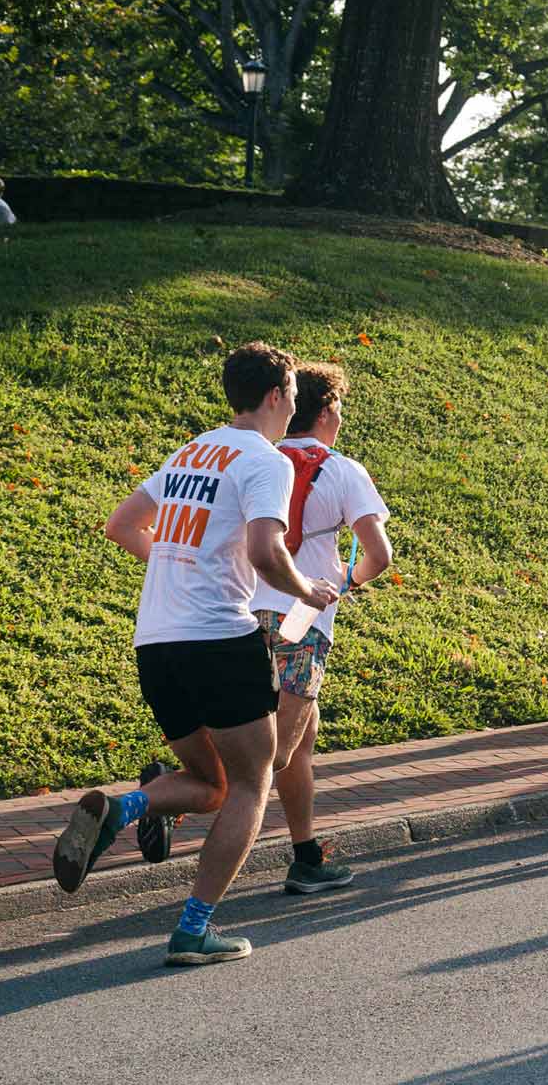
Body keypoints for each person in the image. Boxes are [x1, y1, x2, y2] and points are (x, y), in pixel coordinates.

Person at [47, 343, 338, 966]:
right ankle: (193, 929)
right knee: (253, 782)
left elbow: (122, 524)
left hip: (156, 642)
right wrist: (305, 589)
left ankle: (121, 808)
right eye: (290, 393)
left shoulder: (190, 451)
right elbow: (265, 551)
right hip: (218, 637)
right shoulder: (267, 460)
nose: (293, 405)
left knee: (211, 784)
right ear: (274, 396)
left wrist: (183, 567)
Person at [230, 361, 393, 893]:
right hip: (304, 621)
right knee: (272, 752)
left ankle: (305, 855)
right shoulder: (344, 470)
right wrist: (344, 581)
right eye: (340, 407)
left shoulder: (262, 460)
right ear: (325, 412)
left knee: (299, 740)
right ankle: (170, 794)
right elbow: (379, 554)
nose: (342, 418)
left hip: (243, 615)